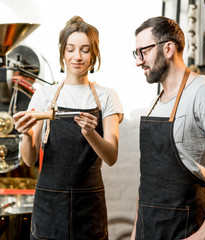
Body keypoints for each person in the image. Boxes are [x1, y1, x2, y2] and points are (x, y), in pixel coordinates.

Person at [130, 16, 205, 240]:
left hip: (184, 228)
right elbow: (148, 180)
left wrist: (204, 232)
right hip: (148, 229)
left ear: (168, 48)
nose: (138, 61)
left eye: (143, 52)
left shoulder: (202, 93)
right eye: (137, 54)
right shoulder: (158, 102)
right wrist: (136, 230)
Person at [13, 16, 123, 240]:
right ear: (63, 52)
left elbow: (111, 156)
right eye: (71, 49)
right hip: (49, 204)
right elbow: (29, 159)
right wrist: (25, 135)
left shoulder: (106, 96)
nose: (77, 56)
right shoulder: (44, 95)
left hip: (89, 205)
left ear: (94, 54)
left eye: (85, 50)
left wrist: (91, 134)